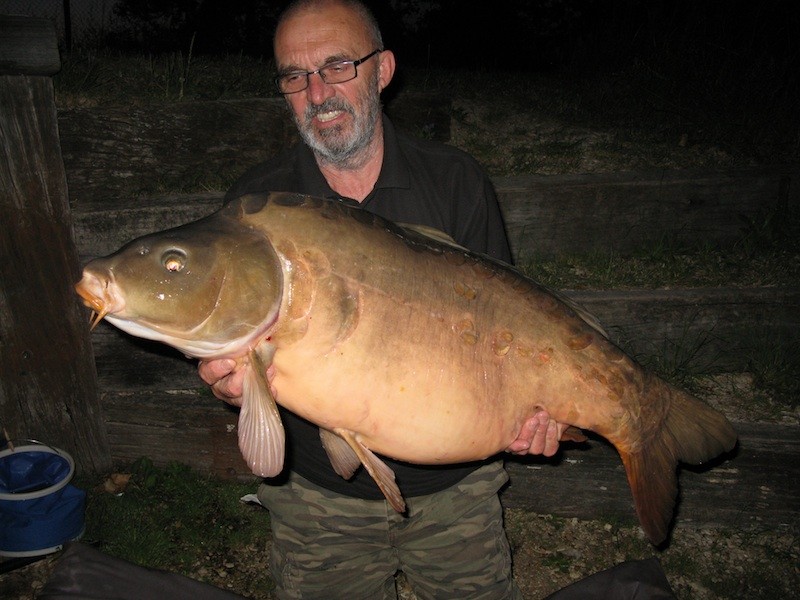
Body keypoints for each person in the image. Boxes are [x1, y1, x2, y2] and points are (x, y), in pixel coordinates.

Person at [199, 1, 566, 597]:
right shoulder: (256, 204)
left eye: (337, 66)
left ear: (384, 69)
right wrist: (222, 376)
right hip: (318, 497)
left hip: (458, 492)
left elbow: (511, 332)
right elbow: (231, 341)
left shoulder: (456, 182)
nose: (317, 93)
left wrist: (536, 411)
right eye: (295, 76)